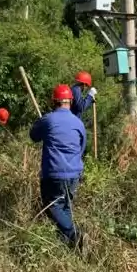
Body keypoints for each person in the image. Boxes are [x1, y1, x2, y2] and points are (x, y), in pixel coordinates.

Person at [30, 84, 86, 250]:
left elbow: (33, 136)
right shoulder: (78, 122)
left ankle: (74, 234)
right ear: (70, 101)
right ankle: (69, 246)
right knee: (65, 206)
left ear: (53, 101)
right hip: (74, 174)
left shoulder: (48, 119)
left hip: (54, 174)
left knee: (52, 205)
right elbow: (82, 148)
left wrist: (40, 124)